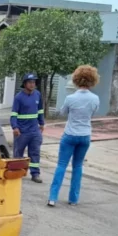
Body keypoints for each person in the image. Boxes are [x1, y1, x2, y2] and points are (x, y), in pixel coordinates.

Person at [47, 65, 100, 207]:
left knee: (61, 165)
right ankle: (73, 199)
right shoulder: (95, 98)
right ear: (92, 80)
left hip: (70, 134)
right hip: (85, 135)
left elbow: (63, 112)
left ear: (76, 79)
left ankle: (53, 197)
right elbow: (92, 113)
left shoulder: (70, 98)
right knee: (78, 166)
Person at [11, 73, 45, 183]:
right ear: (25, 84)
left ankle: (35, 174)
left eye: (34, 82)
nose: (32, 84)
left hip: (34, 130)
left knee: (35, 152)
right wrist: (15, 127)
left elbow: (40, 110)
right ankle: (17, 171)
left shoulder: (37, 95)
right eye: (30, 82)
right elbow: (14, 114)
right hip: (22, 131)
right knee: (18, 152)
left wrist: (42, 123)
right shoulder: (18, 97)